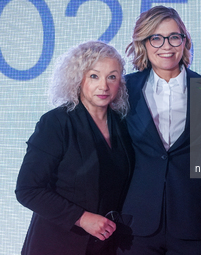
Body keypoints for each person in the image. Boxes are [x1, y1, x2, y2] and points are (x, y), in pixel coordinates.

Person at [15, 41, 134, 255]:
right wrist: (81, 218)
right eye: (94, 76)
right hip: (57, 244)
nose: (104, 86)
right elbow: (28, 190)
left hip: (105, 246)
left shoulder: (122, 124)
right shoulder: (56, 123)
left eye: (112, 77)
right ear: (78, 79)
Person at [117, 6, 201, 255]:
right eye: (156, 38)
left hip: (193, 220)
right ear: (144, 42)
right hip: (136, 225)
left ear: (184, 41)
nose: (166, 46)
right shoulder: (125, 88)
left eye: (174, 37)